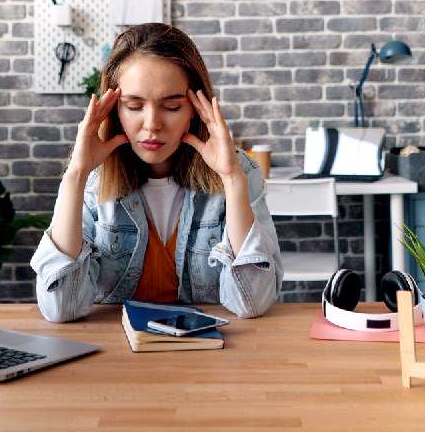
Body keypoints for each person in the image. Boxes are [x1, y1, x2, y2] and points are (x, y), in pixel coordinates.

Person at [32, 23, 283, 322]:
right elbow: (61, 308)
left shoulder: (238, 172)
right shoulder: (91, 180)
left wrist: (231, 178)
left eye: (172, 106)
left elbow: (252, 303)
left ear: (195, 109)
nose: (152, 124)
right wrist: (75, 175)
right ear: (114, 109)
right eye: (134, 106)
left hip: (212, 359)